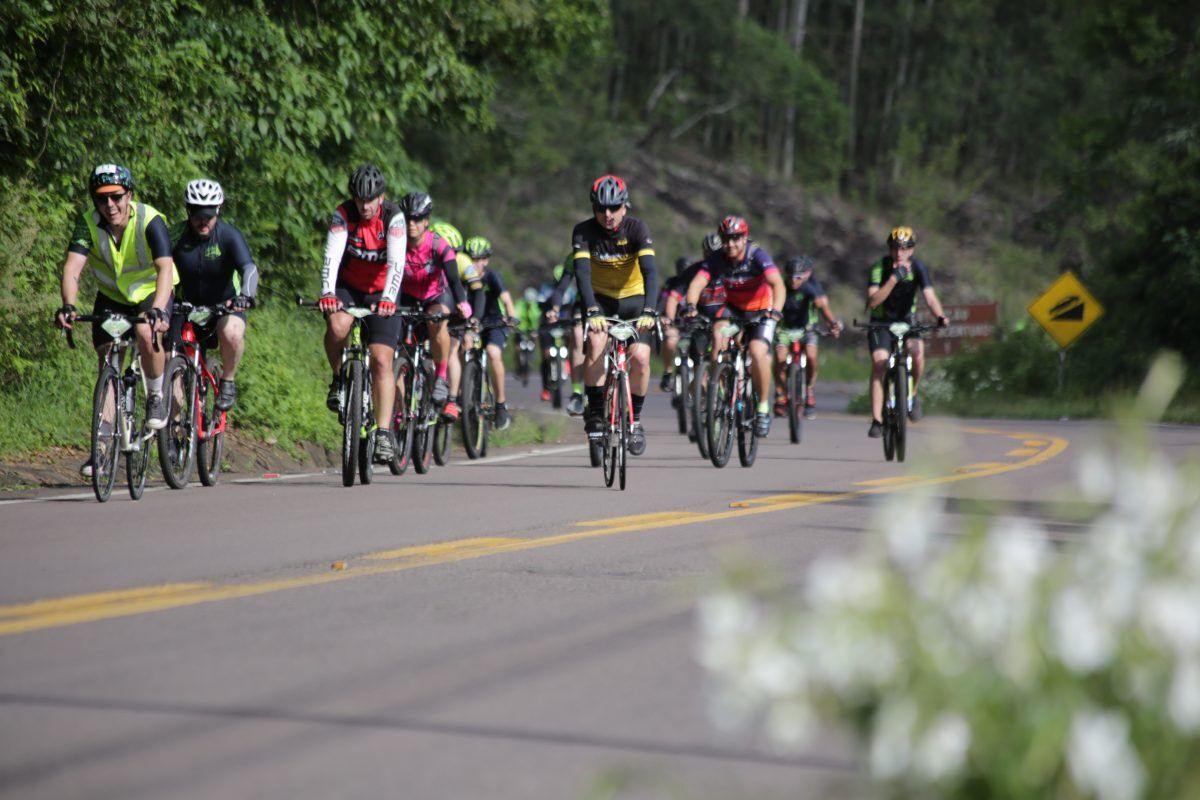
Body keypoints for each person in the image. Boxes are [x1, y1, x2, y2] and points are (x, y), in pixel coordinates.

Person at [55, 164, 178, 477]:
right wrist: (68, 305)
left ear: (129, 195)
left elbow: (165, 267)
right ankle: (101, 450)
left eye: (116, 197)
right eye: (101, 199)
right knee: (107, 359)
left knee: (144, 329)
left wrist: (160, 310)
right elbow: (72, 268)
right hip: (112, 296)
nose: (110, 205)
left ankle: (156, 396)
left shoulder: (150, 220)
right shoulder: (88, 224)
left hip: (152, 291)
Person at [318, 163, 405, 462]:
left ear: (381, 198)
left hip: (383, 292)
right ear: (353, 199)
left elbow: (397, 264)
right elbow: (331, 257)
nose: (365, 206)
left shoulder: (394, 218)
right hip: (349, 288)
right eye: (360, 200)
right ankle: (338, 378)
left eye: (371, 200)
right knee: (338, 328)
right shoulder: (343, 215)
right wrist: (328, 293)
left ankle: (382, 433)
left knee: (381, 359)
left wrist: (390, 299)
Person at [571, 174, 658, 455]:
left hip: (634, 300)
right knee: (596, 344)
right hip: (600, 302)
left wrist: (650, 310)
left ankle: (636, 421)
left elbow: (650, 272)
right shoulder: (583, 232)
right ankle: (596, 414)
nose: (607, 215)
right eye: (600, 209)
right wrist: (592, 310)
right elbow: (582, 275)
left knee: (642, 358)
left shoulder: (636, 229)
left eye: (613, 208)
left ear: (625, 207)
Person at [683, 216, 785, 439]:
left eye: (736, 239)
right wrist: (690, 305)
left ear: (745, 238)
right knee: (717, 334)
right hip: (734, 310)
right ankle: (719, 389)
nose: (731, 244)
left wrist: (776, 310)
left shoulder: (756, 256)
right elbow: (697, 283)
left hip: (762, 310)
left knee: (758, 352)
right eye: (726, 239)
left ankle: (763, 408)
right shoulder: (718, 259)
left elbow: (777, 283)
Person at [169, 179, 259, 411]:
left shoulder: (228, 235)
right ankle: (175, 427)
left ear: (217, 211)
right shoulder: (176, 235)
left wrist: (246, 296)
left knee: (232, 333)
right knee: (171, 355)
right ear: (188, 211)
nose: (203, 221)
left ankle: (227, 380)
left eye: (208, 215)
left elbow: (248, 268)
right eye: (197, 214)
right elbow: (155, 267)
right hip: (185, 305)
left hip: (224, 304)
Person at [865, 225, 948, 437]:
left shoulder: (919, 268)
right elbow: (873, 302)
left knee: (918, 354)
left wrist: (939, 315)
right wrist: (893, 278)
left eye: (904, 248)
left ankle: (911, 395)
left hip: (907, 322)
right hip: (881, 323)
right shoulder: (879, 268)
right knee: (879, 362)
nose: (899, 253)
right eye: (895, 248)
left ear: (911, 250)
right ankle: (877, 419)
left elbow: (929, 296)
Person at [395, 192, 473, 418]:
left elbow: (455, 280)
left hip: (435, 297)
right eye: (408, 218)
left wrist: (463, 303)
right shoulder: (396, 242)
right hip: (406, 297)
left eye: (417, 219)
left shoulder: (439, 246)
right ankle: (399, 411)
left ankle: (441, 377)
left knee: (437, 321)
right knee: (395, 353)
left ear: (426, 221)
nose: (412, 224)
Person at [462, 236, 520, 430]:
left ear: (486, 260)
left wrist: (511, 317)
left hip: (494, 323)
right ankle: (463, 395)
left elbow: (506, 299)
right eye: (471, 259)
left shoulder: (492, 276)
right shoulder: (463, 277)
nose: (475, 264)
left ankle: (501, 405)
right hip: (471, 324)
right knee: (464, 346)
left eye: (478, 259)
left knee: (494, 353)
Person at [774, 255, 842, 419]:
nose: (794, 281)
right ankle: (781, 394)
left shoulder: (809, 288)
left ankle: (809, 389)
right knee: (779, 358)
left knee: (811, 357)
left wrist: (832, 324)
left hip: (806, 329)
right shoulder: (780, 287)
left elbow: (822, 307)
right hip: (784, 330)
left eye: (798, 277)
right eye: (790, 276)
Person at [430, 219, 475, 421]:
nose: (452, 257)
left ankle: (452, 400)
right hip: (434, 302)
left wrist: (471, 316)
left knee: (452, 352)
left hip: (457, 307)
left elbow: (477, 291)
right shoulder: (425, 254)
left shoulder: (463, 262)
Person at [657, 256, 693, 393]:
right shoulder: (671, 283)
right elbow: (662, 300)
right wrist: (661, 316)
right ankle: (667, 372)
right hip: (676, 324)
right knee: (670, 341)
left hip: (695, 325)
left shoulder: (698, 283)